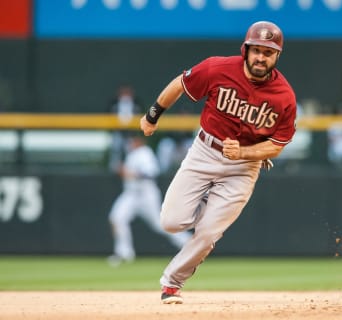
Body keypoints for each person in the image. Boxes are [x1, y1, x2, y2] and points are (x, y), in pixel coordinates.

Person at [139, 21, 297, 304]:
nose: (261, 57)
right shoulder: (217, 68)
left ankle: (172, 284)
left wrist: (250, 154)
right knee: (171, 222)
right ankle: (212, 208)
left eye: (268, 52)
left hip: (244, 167)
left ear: (277, 56)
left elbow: (278, 145)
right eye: (257, 50)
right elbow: (180, 83)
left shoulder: (284, 96)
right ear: (246, 50)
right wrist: (153, 115)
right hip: (204, 151)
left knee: (209, 232)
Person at [107, 135, 192, 267]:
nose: (130, 143)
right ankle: (124, 253)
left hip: (146, 195)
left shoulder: (145, 153)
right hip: (131, 194)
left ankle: (188, 244)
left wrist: (130, 173)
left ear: (139, 141)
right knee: (116, 218)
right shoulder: (132, 154)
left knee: (160, 225)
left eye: (133, 140)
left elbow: (151, 174)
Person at [107, 85, 142, 172]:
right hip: (118, 134)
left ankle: (131, 168)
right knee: (115, 143)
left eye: (127, 93)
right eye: (123, 93)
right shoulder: (114, 107)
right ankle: (113, 169)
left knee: (131, 148)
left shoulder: (136, 107)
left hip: (130, 135)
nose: (125, 96)